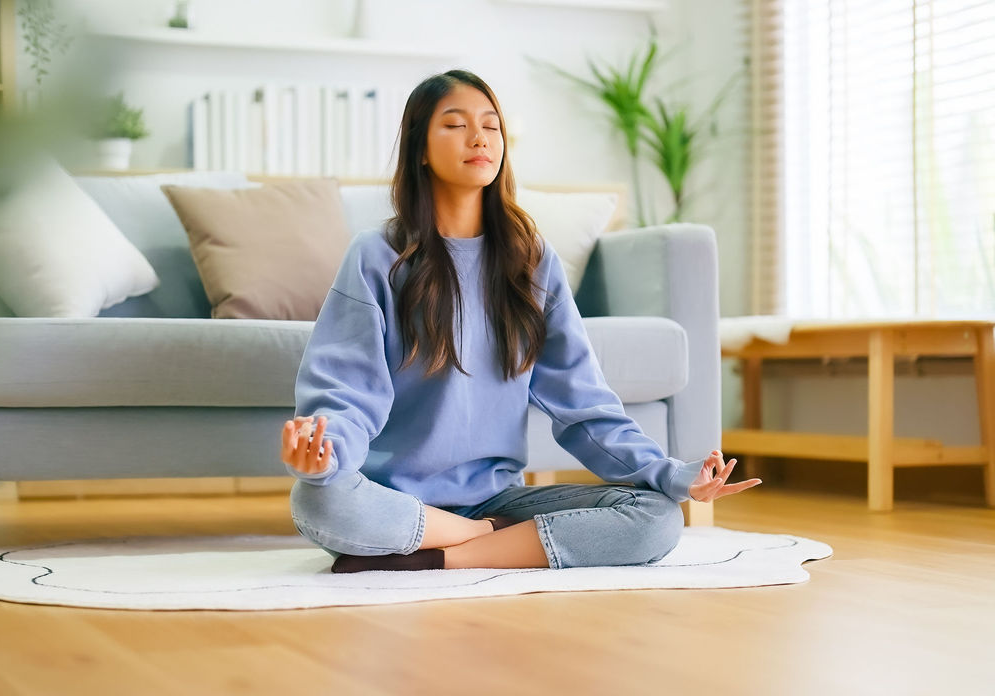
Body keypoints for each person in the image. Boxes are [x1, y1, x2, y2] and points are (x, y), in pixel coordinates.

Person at [279, 69, 760, 574]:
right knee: (318, 501)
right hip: (397, 502)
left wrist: (670, 474)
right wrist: (325, 455)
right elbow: (346, 390)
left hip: (499, 501)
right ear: (420, 148)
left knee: (657, 518)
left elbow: (586, 406)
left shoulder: (532, 262)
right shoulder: (378, 257)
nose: (479, 137)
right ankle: (483, 542)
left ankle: (433, 559)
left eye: (491, 125)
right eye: (455, 124)